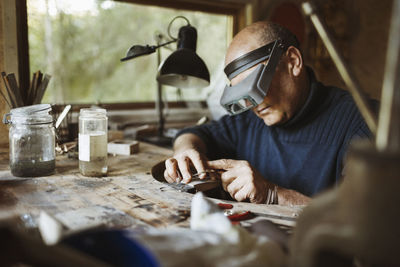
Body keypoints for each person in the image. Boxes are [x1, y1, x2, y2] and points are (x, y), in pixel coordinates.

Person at [163, 21, 372, 205]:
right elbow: (195, 134)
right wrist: (185, 151)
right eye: (242, 95)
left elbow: (361, 226)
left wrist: (274, 194)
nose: (253, 104)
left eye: (256, 87)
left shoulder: (364, 123)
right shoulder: (249, 121)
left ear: (292, 62)